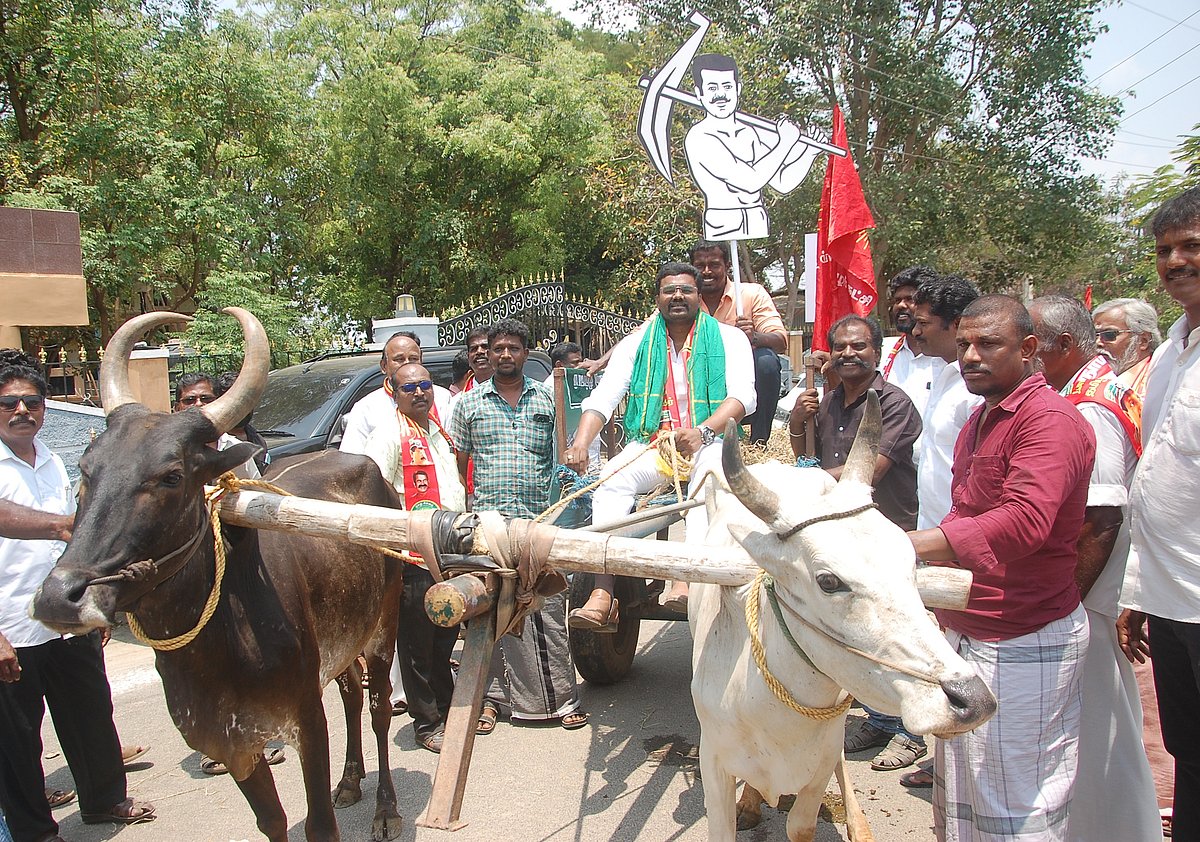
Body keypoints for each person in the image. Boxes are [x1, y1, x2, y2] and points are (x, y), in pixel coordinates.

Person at [907, 295, 1095, 842]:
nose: (970, 356)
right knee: (965, 792)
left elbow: (1026, 521)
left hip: (1022, 634)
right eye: (964, 344)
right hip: (972, 625)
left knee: (1017, 799)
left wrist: (910, 545)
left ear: (1029, 349)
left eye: (988, 344)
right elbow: (969, 510)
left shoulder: (1050, 421)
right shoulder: (983, 416)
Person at [0, 356, 156, 841]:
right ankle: (34, 831)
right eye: (10, 402)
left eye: (33, 401)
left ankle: (106, 800)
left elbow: (76, 546)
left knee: (89, 711)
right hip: (11, 626)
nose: (23, 409)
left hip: (65, 614)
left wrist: (96, 600)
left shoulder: (50, 459)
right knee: (17, 739)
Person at [1028, 295, 1160, 842]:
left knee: (1097, 728)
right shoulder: (1091, 390)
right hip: (1091, 592)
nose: (1027, 352)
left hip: (1088, 596)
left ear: (1062, 344)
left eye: (1032, 341)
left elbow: (1101, 519)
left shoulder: (1087, 409)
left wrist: (1068, 606)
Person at [563, 262, 755, 627]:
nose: (678, 296)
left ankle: (684, 580)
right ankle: (603, 592)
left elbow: (744, 398)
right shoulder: (637, 343)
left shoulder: (731, 339)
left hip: (708, 442)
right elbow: (604, 397)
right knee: (610, 482)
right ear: (658, 299)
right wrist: (580, 444)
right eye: (670, 291)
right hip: (654, 444)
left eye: (686, 290)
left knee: (703, 486)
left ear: (700, 297)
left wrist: (702, 432)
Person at [788, 315, 925, 771]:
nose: (849, 354)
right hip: (841, 538)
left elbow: (865, 475)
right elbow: (803, 455)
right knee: (859, 632)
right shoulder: (825, 403)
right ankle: (883, 720)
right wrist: (795, 422)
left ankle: (911, 732)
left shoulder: (894, 403)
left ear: (877, 351)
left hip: (885, 535)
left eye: (858, 346)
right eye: (841, 347)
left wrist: (793, 483)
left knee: (898, 632)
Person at [450, 319, 588, 732]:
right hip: (488, 524)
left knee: (546, 606)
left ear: (526, 355)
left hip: (538, 521)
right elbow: (460, 463)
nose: (505, 355)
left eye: (513, 348)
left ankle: (562, 700)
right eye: (498, 349)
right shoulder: (469, 405)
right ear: (487, 355)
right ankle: (490, 701)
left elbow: (561, 458)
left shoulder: (547, 402)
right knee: (487, 609)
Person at [1118, 186, 1200, 842]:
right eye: (1164, 249)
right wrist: (1141, 589)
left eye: (1191, 246)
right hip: (1172, 599)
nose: (1175, 260)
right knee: (1189, 748)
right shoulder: (1170, 353)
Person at [363, 363, 463, 754]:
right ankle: (427, 722)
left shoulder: (437, 430)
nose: (419, 392)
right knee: (418, 644)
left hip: (448, 549)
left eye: (424, 385)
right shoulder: (388, 434)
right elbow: (376, 487)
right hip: (413, 556)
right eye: (410, 388)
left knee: (444, 637)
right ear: (394, 391)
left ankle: (448, 708)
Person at [684, 53, 821, 240]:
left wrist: (809, 153)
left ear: (737, 89)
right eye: (712, 87)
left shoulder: (749, 132)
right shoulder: (699, 137)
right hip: (724, 225)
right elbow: (750, 182)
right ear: (699, 93)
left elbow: (782, 182)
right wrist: (785, 143)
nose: (720, 95)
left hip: (757, 221)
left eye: (727, 86)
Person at [690, 240, 787, 444]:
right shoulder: (682, 298)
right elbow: (642, 333)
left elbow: (780, 341)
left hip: (742, 380)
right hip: (697, 376)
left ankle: (758, 442)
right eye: (700, 266)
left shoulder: (751, 294)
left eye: (714, 265)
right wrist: (603, 362)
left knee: (766, 362)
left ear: (728, 266)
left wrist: (754, 337)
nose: (707, 272)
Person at [339, 331, 452, 454]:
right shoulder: (365, 408)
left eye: (413, 359)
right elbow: (353, 458)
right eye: (399, 359)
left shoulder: (442, 397)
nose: (407, 364)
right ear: (384, 366)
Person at [879, 266, 945, 417]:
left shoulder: (948, 356)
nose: (901, 305)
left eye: (910, 299)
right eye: (897, 300)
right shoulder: (881, 350)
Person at [1092, 297, 1161, 399]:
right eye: (1094, 335)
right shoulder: (1091, 380)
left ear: (1143, 341)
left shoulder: (1160, 381)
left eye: (1109, 335)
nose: (1098, 342)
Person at [214, 371, 270, 474]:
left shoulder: (258, 440)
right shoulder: (215, 444)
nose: (241, 407)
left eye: (246, 399)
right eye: (234, 401)